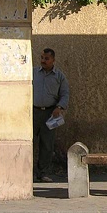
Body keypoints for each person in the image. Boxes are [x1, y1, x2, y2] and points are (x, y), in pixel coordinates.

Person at [32, 48, 69, 183]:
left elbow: (65, 93)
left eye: (46, 58)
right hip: (33, 112)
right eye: (42, 57)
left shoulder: (59, 76)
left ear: (53, 60)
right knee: (28, 142)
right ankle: (24, 173)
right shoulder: (33, 73)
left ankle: (42, 173)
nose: (43, 61)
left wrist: (59, 107)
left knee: (47, 145)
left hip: (50, 113)